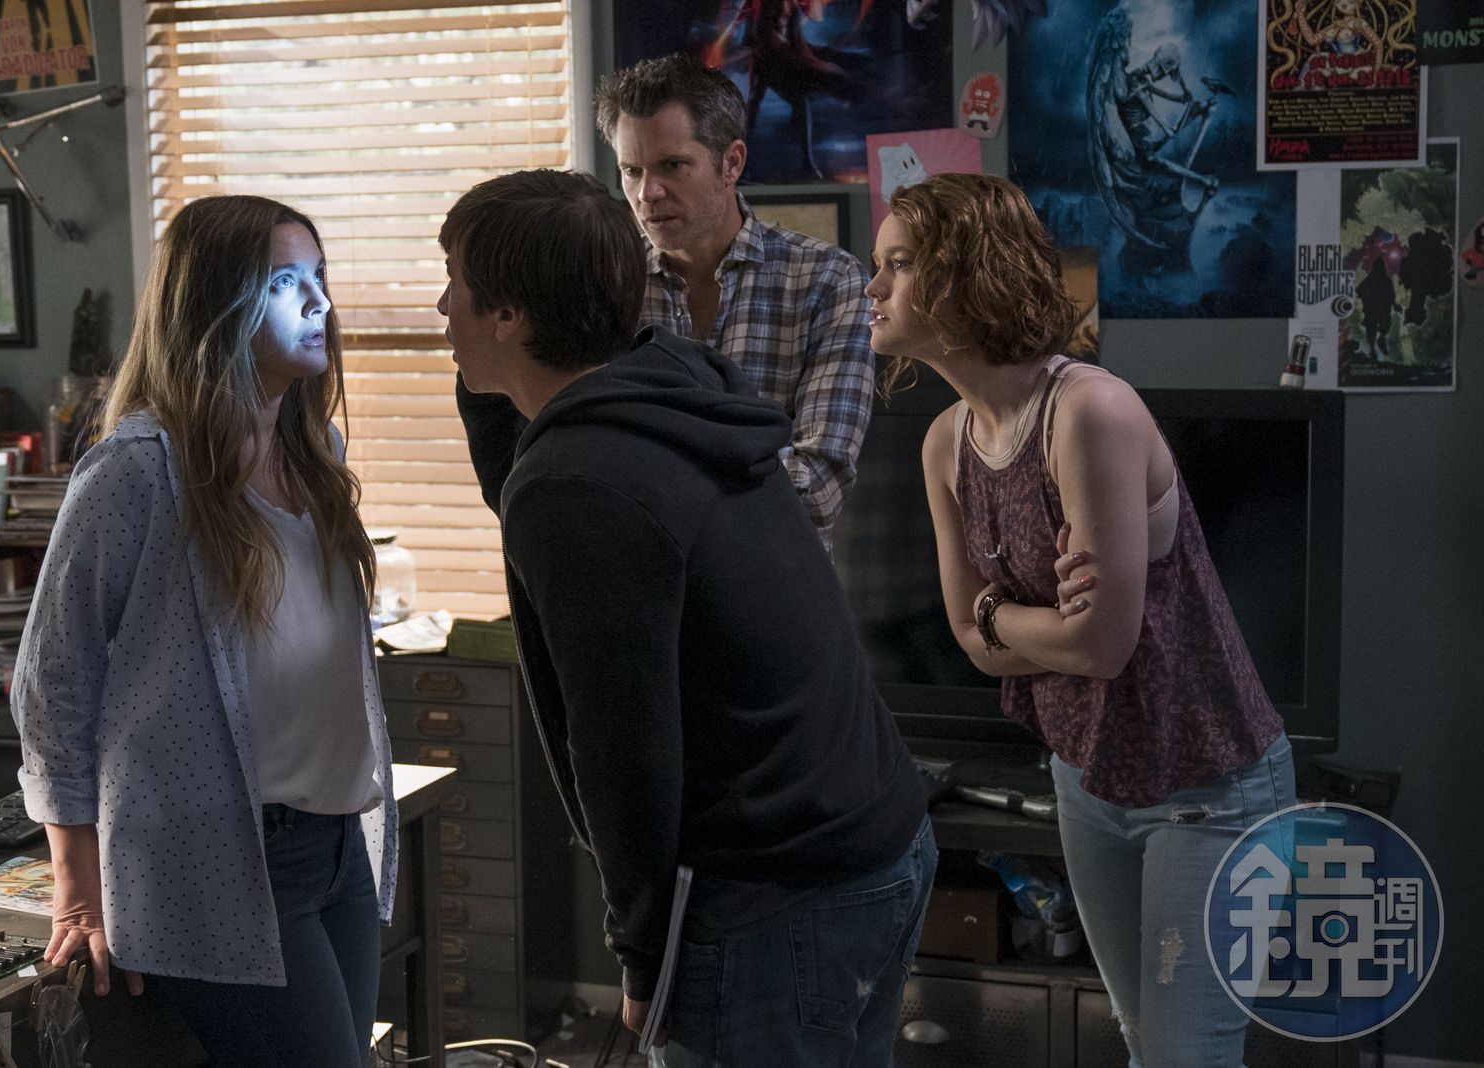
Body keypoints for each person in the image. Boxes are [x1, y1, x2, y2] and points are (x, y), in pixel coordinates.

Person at [442, 168, 932, 1067]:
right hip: (871, 835)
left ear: (509, 315)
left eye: (456, 286)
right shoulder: (670, 384)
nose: (442, 309)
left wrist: (641, 953)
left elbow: (622, 743)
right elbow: (528, 479)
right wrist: (492, 381)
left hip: (772, 898)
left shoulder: (580, 483)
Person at [866, 173, 1293, 1067]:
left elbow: (1099, 645)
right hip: (1086, 778)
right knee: (1141, 1042)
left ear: (965, 276)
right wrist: (1021, 619)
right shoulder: (945, 443)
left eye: (897, 265)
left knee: (1185, 1059)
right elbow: (970, 643)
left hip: (1206, 788)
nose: (875, 287)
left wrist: (999, 612)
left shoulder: (1088, 411)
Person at [11, 195, 397, 1067]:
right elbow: (51, 683)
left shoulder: (318, 453)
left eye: (320, 277)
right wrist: (79, 890)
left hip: (340, 844)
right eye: (286, 283)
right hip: (223, 857)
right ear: (215, 307)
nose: (321, 303)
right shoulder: (137, 472)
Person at [595, 53, 873, 550]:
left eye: (672, 165)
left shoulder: (827, 280)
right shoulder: (609, 281)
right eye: (631, 171)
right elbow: (587, 463)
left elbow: (817, 488)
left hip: (775, 582)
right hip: (641, 577)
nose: (647, 192)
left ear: (732, 163)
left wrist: (649, 481)